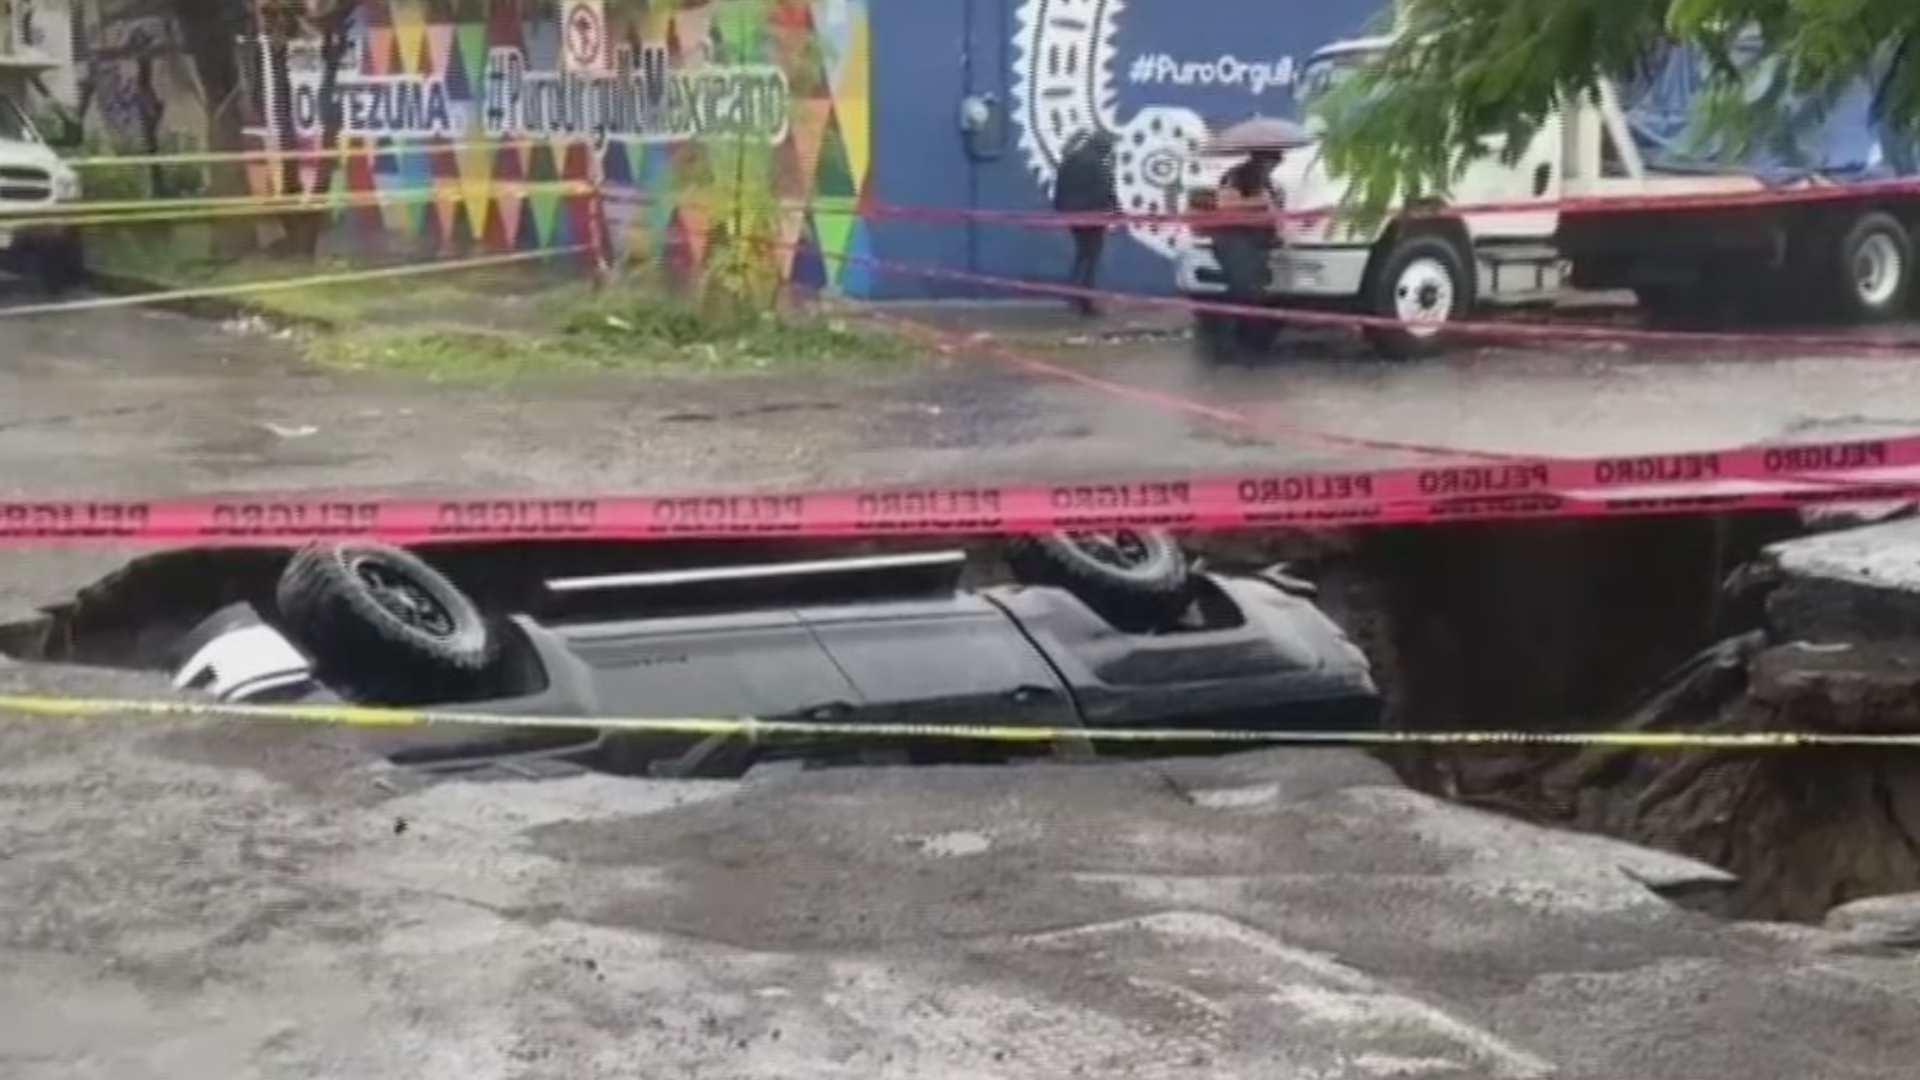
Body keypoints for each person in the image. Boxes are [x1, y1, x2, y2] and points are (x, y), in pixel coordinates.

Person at [1052, 130, 1119, 315]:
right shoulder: (1098, 164)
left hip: (1071, 215)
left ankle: (1073, 294)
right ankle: (1085, 301)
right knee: (1091, 257)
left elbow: (1059, 188)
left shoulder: (1071, 159)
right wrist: (1115, 211)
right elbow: (1106, 191)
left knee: (1082, 254)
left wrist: (1062, 210)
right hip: (1092, 215)